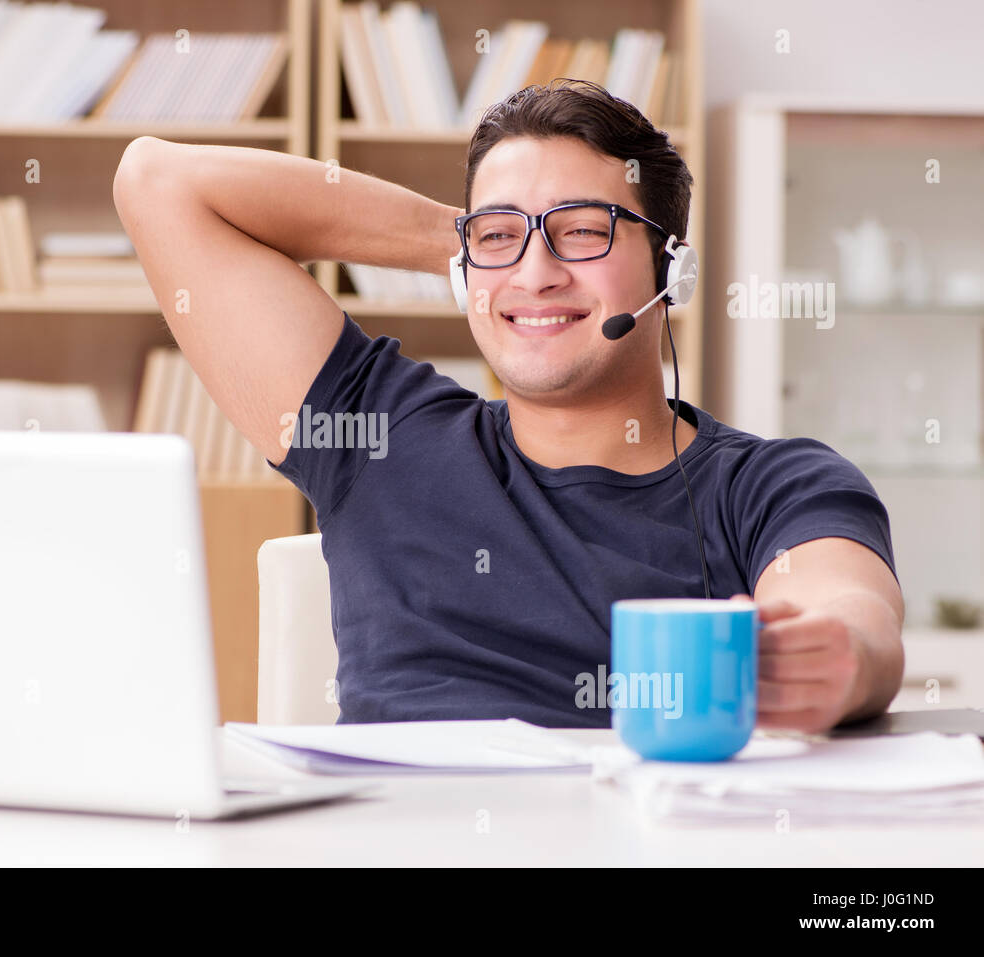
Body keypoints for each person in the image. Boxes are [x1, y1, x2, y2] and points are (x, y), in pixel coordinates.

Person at [112, 80, 903, 733]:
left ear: (675, 269)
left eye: (584, 231)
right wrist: (469, 248)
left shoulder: (776, 484)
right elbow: (158, 182)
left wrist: (837, 660)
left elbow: (848, 613)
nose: (537, 274)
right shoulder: (372, 432)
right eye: (500, 238)